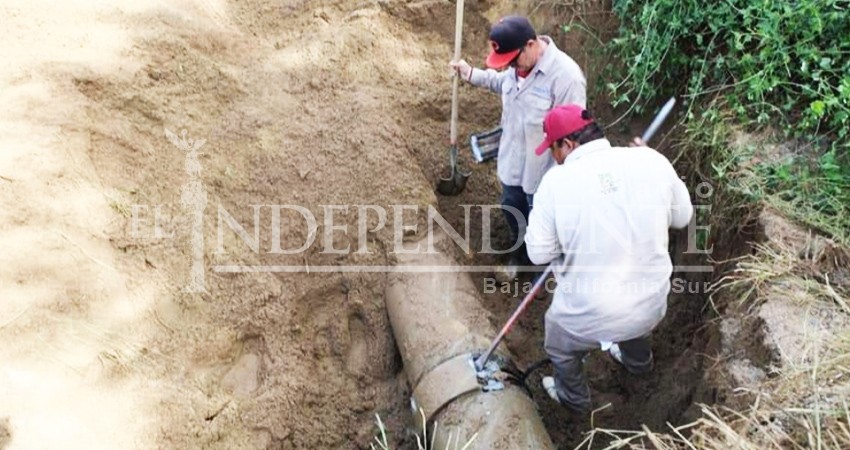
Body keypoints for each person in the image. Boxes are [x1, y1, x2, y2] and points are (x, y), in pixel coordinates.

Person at [524, 104, 693, 414]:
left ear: (569, 144)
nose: (553, 157)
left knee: (558, 343)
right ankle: (638, 363)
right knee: (637, 316)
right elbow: (682, 217)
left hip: (587, 318)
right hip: (651, 306)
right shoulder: (651, 160)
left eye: (553, 149)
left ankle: (574, 398)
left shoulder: (555, 184)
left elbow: (538, 253)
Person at [450, 16, 586, 281]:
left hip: (544, 177)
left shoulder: (567, 78)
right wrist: (471, 74)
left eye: (513, 60)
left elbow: (575, 134)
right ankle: (519, 257)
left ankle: (543, 277)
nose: (511, 67)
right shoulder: (517, 68)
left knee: (544, 229)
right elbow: (503, 83)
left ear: (531, 45)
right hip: (513, 166)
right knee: (513, 211)